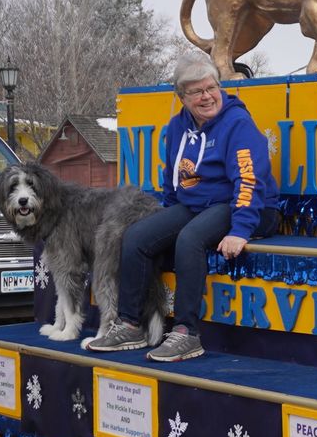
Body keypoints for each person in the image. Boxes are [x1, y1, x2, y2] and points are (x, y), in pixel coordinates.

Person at [87, 53, 280, 361]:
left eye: (211, 88)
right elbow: (174, 175)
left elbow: (248, 180)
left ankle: (186, 332)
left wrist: (241, 229)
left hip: (248, 206)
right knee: (137, 237)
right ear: (182, 97)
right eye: (196, 92)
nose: (206, 96)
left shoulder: (238, 123)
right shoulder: (178, 126)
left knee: (190, 238)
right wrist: (168, 216)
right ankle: (129, 324)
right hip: (198, 205)